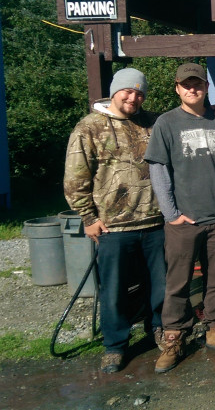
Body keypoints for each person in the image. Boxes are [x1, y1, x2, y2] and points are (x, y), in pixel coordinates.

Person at [64, 68, 166, 374]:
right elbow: (75, 177)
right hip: (113, 226)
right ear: (114, 91)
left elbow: (185, 120)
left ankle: (159, 329)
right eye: (127, 91)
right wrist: (88, 217)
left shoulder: (152, 123)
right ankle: (115, 345)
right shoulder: (90, 127)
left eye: (139, 93)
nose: (133, 98)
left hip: (155, 221)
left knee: (161, 285)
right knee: (114, 288)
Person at [145, 62, 215, 374]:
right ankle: (174, 337)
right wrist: (170, 213)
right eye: (186, 84)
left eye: (198, 84)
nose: (192, 89)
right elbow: (157, 168)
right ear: (177, 88)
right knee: (177, 282)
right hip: (183, 221)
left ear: (205, 87)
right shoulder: (166, 123)